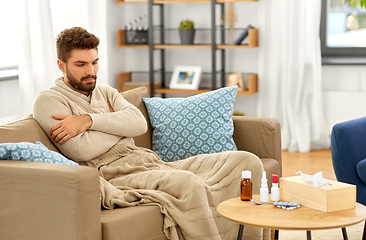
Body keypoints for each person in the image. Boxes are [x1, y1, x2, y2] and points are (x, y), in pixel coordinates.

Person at [33, 27, 264, 240]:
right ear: (61, 65)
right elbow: (82, 149)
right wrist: (119, 127)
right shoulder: (49, 101)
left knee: (246, 162)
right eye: (81, 64)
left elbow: (138, 124)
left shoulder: (105, 91)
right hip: (114, 175)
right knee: (188, 183)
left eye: (95, 62)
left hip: (148, 161)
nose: (91, 71)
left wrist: (89, 121)